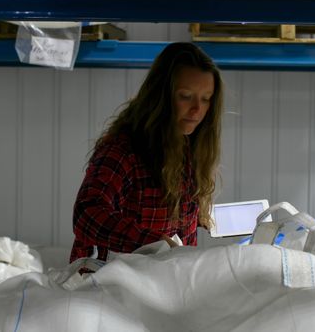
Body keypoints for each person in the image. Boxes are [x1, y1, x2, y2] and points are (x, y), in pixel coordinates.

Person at [70, 42, 224, 262]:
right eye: (185, 96)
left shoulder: (187, 147)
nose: (197, 109)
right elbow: (87, 214)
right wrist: (152, 242)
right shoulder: (123, 150)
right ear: (160, 96)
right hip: (108, 287)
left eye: (206, 98)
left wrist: (195, 216)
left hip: (163, 282)